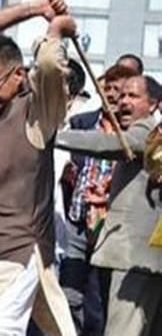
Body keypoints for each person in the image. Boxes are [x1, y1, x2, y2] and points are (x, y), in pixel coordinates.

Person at [0, 0, 77, 335]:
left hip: (18, 250)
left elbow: (50, 65)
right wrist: (36, 8)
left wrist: (55, 29)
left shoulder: (38, 113)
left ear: (19, 75)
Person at [56, 75, 162, 336]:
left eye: (133, 96)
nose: (123, 101)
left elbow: (106, 144)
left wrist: (53, 136)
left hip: (134, 261)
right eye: (121, 95)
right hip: (127, 258)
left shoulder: (146, 133)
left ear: (154, 105)